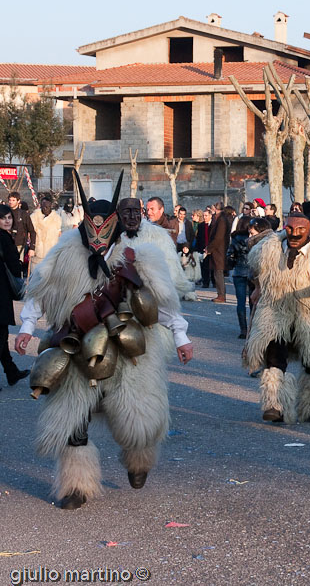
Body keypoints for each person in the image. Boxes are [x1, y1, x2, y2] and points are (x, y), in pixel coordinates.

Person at [14, 172, 193, 509]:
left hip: (129, 348)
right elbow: (39, 291)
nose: (97, 235)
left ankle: (139, 458)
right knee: (72, 418)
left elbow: (163, 301)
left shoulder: (136, 255)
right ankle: (76, 486)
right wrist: (26, 326)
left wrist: (181, 337)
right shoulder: (64, 252)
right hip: (76, 344)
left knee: (136, 419)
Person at [245, 213, 310, 424]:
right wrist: (259, 289)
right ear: (284, 227)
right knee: (274, 353)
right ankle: (275, 405)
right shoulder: (270, 249)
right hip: (277, 310)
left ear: (309, 231)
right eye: (290, 229)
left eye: (300, 230)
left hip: (309, 312)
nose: (294, 234)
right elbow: (260, 271)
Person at [118, 198, 196, 302]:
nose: (132, 216)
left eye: (136, 212)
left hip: (150, 297)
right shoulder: (112, 238)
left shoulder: (158, 236)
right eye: (127, 211)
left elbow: (170, 267)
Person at [0, 204, 29, 390]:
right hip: (1, 292)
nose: (7, 221)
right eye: (3, 218)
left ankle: (11, 371)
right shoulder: (4, 237)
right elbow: (13, 266)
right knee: (0, 334)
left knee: (1, 336)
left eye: (9, 217)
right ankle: (11, 371)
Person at [226, 216, 252, 339]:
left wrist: (232, 264)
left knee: (240, 302)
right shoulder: (254, 238)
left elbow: (230, 255)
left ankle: (243, 329)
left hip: (239, 271)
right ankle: (252, 328)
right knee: (253, 302)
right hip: (252, 271)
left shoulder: (235, 238)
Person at [207, 205, 232, 302]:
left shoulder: (222, 219)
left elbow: (218, 237)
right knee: (217, 272)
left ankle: (221, 295)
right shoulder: (219, 218)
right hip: (217, 249)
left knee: (218, 272)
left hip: (219, 250)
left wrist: (210, 248)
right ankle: (220, 294)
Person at [7, 191, 35, 274]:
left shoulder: (23, 214)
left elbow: (32, 231)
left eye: (13, 200)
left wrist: (32, 248)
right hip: (7, 245)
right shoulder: (5, 212)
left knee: (18, 269)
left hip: (20, 246)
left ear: (18, 201)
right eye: (10, 200)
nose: (11, 202)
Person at [30, 197, 62, 269]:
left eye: (47, 206)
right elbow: (30, 234)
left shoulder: (57, 219)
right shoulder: (33, 217)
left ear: (51, 206)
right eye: (43, 206)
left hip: (51, 252)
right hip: (37, 252)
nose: (45, 208)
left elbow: (59, 234)